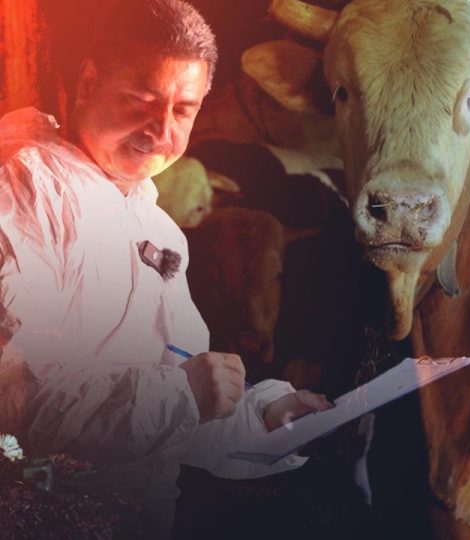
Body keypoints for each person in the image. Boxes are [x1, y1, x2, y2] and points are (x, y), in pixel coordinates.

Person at [0, 0, 332, 536]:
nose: (160, 131)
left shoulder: (156, 226)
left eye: (182, 110)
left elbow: (177, 411)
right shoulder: (25, 193)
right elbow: (15, 409)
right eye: (141, 101)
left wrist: (264, 417)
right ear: (88, 84)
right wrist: (182, 396)